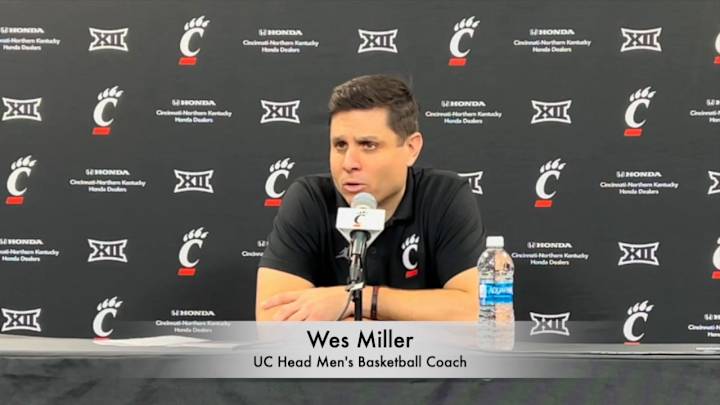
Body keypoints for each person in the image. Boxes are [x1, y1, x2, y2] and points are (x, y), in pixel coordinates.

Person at [256, 74, 485, 321]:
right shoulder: (310, 200)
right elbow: (273, 318)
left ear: (411, 148)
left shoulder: (444, 197)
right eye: (340, 145)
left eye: (368, 145)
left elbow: (479, 312)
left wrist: (358, 300)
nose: (349, 163)